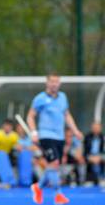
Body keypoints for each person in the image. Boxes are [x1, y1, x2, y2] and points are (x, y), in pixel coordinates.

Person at [27, 73, 83, 204]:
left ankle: (38, 187)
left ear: (59, 83)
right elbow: (30, 116)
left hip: (60, 137)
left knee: (54, 166)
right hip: (46, 136)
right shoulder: (40, 98)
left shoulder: (63, 97)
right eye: (51, 81)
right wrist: (34, 133)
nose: (54, 84)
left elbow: (67, 115)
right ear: (47, 83)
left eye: (56, 81)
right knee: (54, 163)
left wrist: (75, 131)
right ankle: (58, 194)